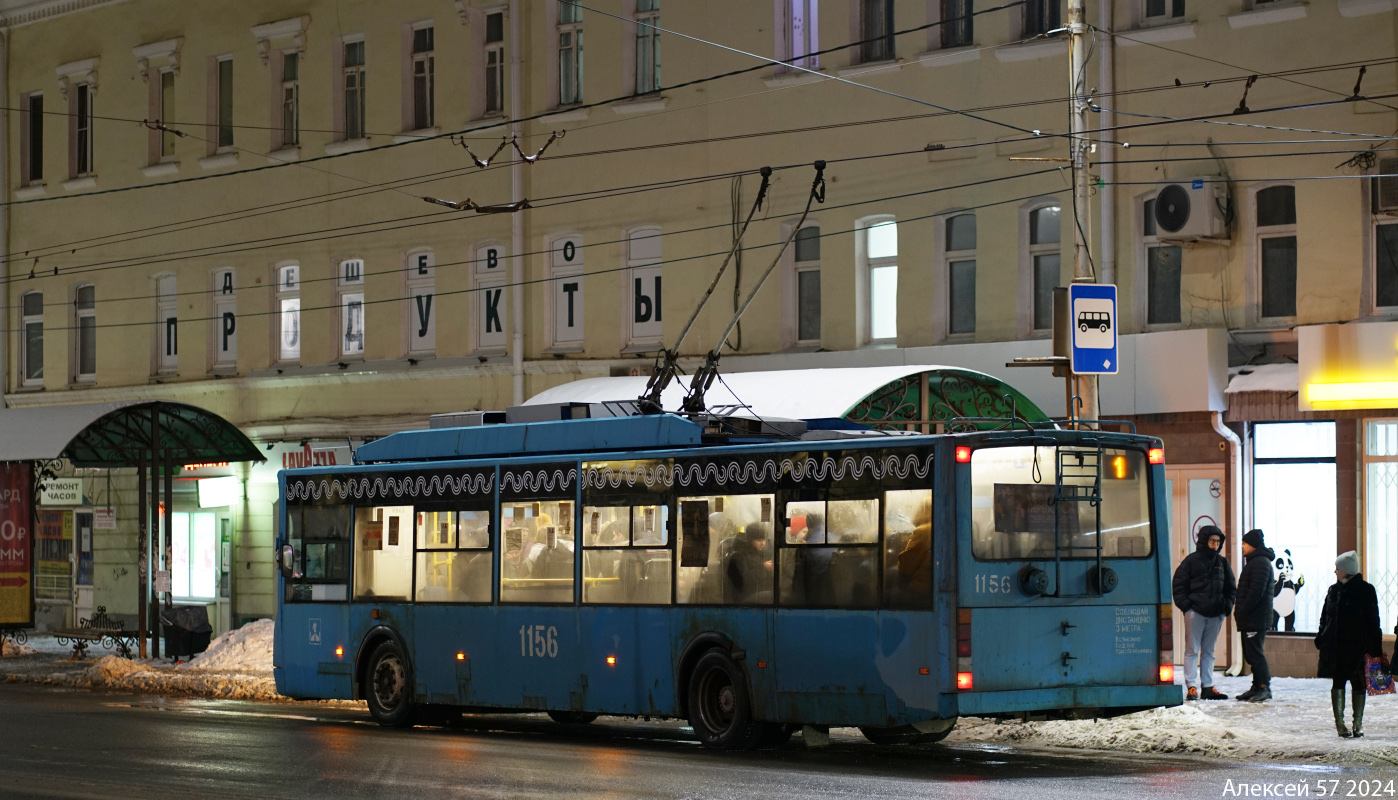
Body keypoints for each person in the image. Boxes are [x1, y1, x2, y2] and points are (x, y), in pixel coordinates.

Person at [1315, 550, 1383, 738]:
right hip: (1335, 646)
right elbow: (1324, 617)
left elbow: (1373, 621)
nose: (1335, 571)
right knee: (1338, 682)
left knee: (1358, 684)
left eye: (1338, 568)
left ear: (1347, 570)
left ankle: (1358, 724)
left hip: (1357, 647)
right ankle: (1340, 725)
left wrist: (1374, 647)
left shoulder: (1365, 590)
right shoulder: (1333, 590)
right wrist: (1321, 636)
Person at [1171, 525, 1236, 701]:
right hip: (1195, 613)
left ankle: (1207, 686)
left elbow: (1231, 587)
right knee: (1192, 650)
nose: (1215, 544)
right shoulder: (1191, 561)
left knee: (1209, 651)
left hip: (1216, 614)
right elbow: (1178, 585)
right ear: (1204, 541)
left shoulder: (1223, 563)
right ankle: (1191, 686)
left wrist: (1226, 607)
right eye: (1212, 540)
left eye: (1218, 541)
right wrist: (1187, 607)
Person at [1234, 529, 1276, 702]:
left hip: (1255, 617)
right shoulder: (1255, 562)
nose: (1242, 546)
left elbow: (1255, 592)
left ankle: (1264, 687)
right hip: (1251, 617)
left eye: (1245, 543)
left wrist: (1242, 609)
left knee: (1255, 653)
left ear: (1253, 545)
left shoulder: (1260, 563)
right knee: (1251, 653)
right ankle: (1256, 686)